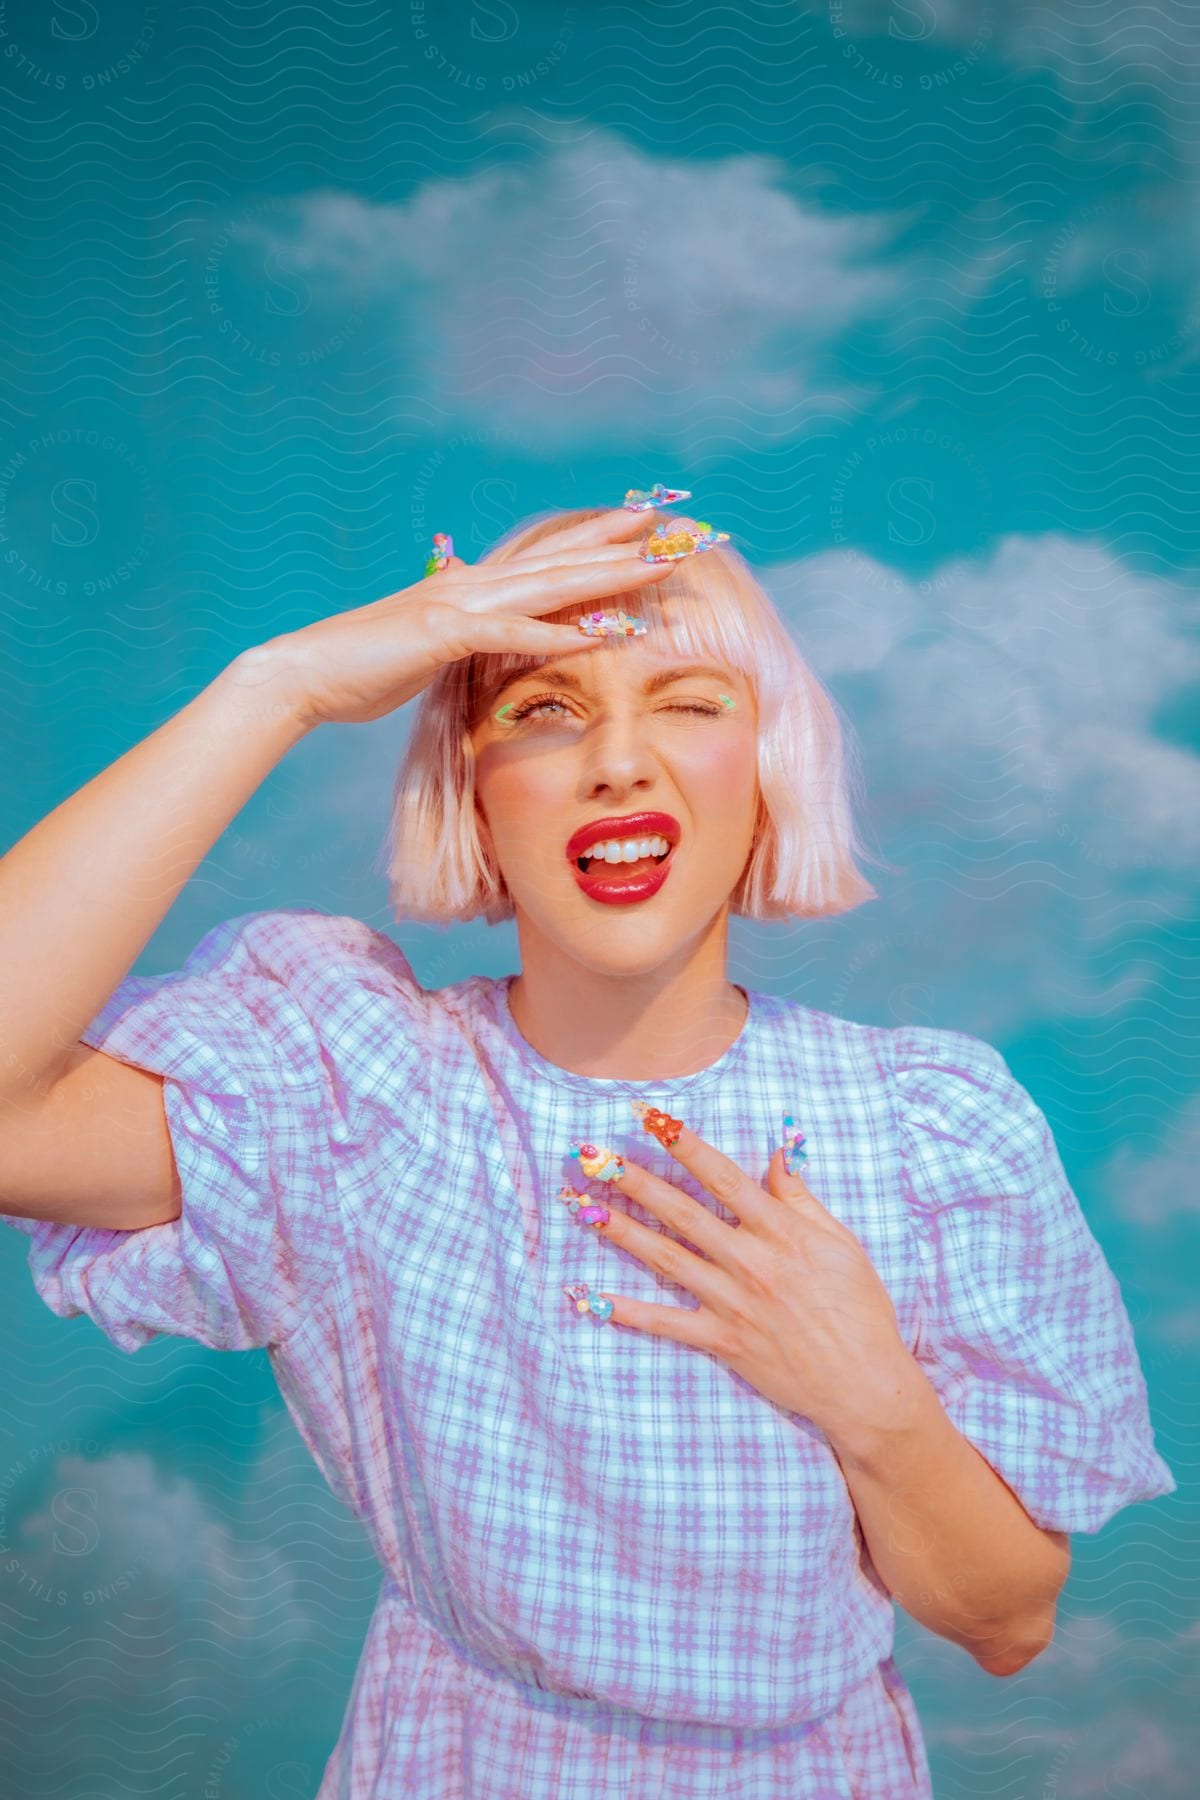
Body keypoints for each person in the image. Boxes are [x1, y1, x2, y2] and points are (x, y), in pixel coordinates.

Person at [0, 501, 1176, 1798]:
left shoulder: (933, 1123)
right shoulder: (360, 1093)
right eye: (543, 709)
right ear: (473, 793)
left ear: (769, 768)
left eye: (687, 700)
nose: (617, 761)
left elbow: (1007, 1623)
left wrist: (869, 1393)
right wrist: (276, 687)